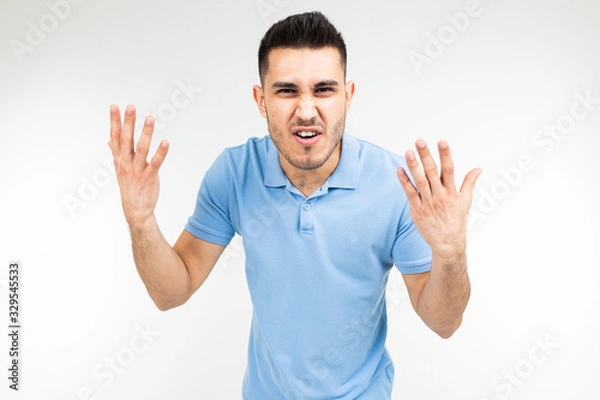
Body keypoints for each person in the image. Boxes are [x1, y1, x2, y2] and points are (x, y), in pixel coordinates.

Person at [108, 11, 481, 400]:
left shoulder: (396, 185)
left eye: (324, 89)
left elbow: (444, 322)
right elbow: (172, 292)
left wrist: (451, 253)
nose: (306, 110)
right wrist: (141, 221)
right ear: (261, 99)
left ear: (348, 96)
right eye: (287, 91)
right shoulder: (235, 173)